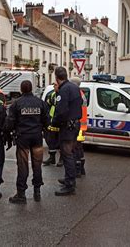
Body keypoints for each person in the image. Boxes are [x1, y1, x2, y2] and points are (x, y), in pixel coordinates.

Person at [5, 80, 48, 204]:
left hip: (23, 137)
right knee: (37, 164)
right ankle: (37, 191)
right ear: (31, 89)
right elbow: (47, 121)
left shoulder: (16, 104)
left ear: (21, 89)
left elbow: (10, 123)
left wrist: (8, 131)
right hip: (37, 137)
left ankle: (21, 194)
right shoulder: (41, 103)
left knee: (23, 165)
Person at [51, 67, 82, 196]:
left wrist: (54, 123)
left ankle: (70, 184)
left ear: (57, 78)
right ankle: (70, 177)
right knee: (72, 153)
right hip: (75, 124)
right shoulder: (74, 87)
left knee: (67, 154)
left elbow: (61, 110)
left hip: (67, 127)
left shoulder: (63, 90)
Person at [69, 77, 88, 178]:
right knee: (79, 148)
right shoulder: (81, 93)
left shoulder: (77, 94)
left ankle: (77, 170)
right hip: (82, 124)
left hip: (78, 124)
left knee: (76, 148)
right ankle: (81, 168)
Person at [43, 83, 61, 166]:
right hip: (52, 121)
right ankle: (52, 158)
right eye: (54, 85)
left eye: (56, 85)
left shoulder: (64, 94)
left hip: (61, 121)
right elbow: (46, 107)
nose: (54, 87)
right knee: (51, 140)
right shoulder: (51, 95)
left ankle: (62, 159)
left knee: (61, 141)